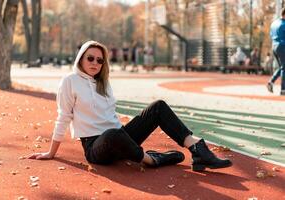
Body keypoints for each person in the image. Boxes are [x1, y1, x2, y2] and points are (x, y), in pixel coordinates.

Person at [29, 40, 232, 172]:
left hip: (120, 136)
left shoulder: (103, 83)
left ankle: (197, 148)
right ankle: (151, 160)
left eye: (99, 60)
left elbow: (110, 115)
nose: (95, 63)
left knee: (158, 106)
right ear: (80, 58)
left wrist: (133, 130)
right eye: (90, 58)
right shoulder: (70, 81)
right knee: (112, 134)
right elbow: (63, 116)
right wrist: (51, 153)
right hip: (96, 147)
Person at [267, 8, 285, 95]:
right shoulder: (284, 24)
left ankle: (271, 82)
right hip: (282, 46)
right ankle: (283, 90)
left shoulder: (274, 23)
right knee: (284, 68)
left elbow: (271, 35)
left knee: (282, 67)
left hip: (274, 46)